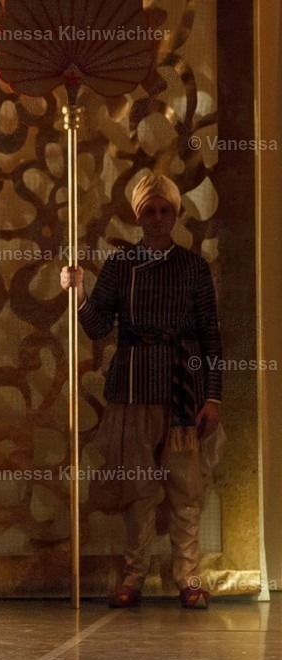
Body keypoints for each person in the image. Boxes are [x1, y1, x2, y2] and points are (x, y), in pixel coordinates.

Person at [60, 173, 222, 609]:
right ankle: (134, 576)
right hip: (133, 389)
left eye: (165, 210)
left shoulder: (194, 267)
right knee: (138, 490)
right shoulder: (120, 265)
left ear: (175, 214)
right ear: (138, 216)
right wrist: (78, 293)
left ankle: (188, 578)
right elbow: (99, 327)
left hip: (184, 394)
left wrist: (213, 396)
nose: (157, 217)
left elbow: (210, 335)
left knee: (186, 490)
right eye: (149, 210)